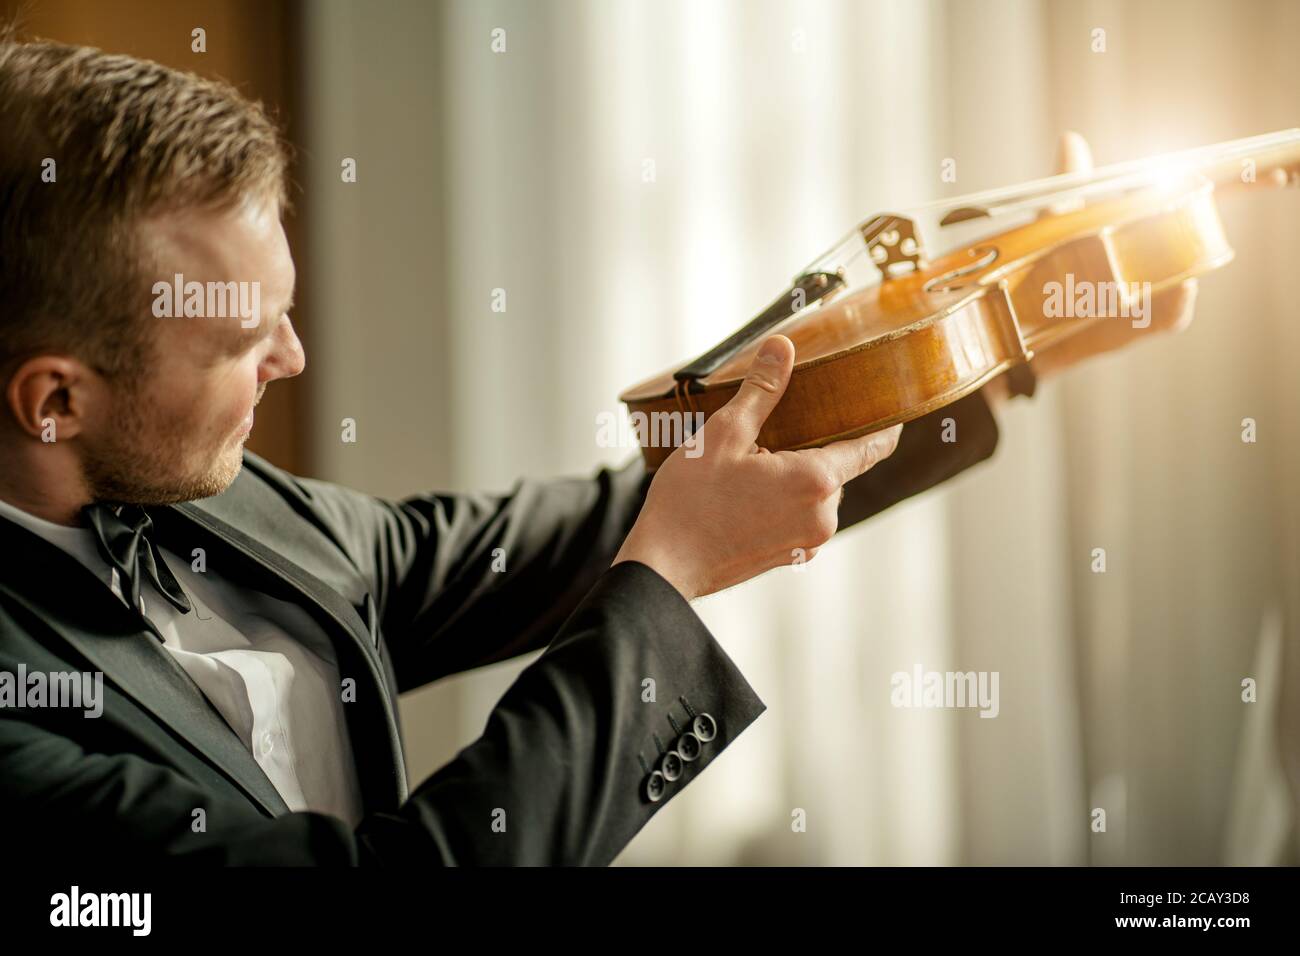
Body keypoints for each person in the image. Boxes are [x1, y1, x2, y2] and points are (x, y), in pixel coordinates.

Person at [0, 35, 1189, 865]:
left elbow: (546, 539)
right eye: (245, 339)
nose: (296, 359)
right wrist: (666, 584)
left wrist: (997, 350)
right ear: (55, 401)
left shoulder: (217, 500)